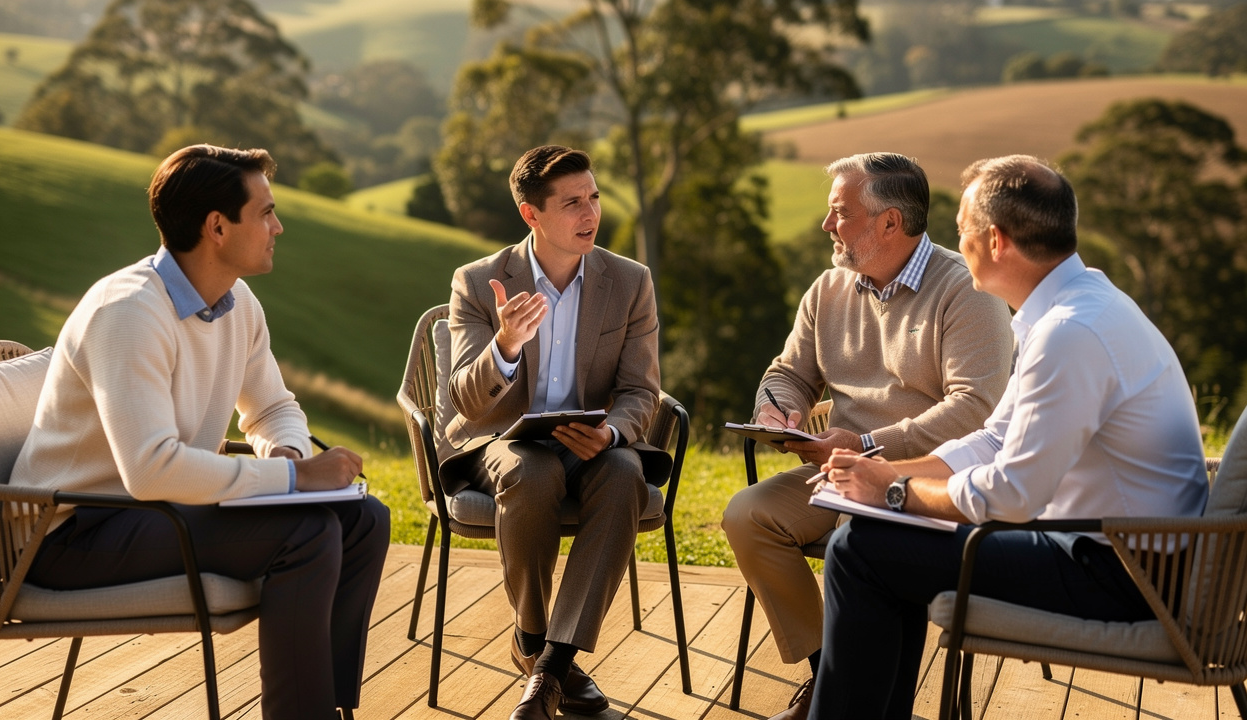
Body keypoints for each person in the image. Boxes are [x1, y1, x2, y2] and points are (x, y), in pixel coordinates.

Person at [809, 155, 1208, 718]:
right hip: (1117, 552)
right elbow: (995, 439)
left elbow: (1012, 495)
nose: (956, 245)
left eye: (961, 230)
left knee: (860, 550)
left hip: (1122, 573)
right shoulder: (1077, 309)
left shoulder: (1069, 333)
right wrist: (888, 472)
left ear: (995, 241)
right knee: (874, 540)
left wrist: (892, 493)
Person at [9, 144, 390, 720]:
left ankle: (327, 707)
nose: (278, 227)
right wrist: (294, 479)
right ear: (217, 227)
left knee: (365, 519)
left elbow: (272, 407)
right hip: (68, 534)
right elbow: (150, 469)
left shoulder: (237, 303)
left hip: (156, 512)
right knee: (306, 532)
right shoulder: (129, 311)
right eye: (265, 213)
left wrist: (286, 453)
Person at [720, 152, 1013, 720]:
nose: (826, 224)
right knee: (748, 515)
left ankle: (845, 692)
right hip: (840, 470)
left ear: (889, 223)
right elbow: (788, 373)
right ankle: (829, 674)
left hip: (925, 481)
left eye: (840, 212)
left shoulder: (967, 291)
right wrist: (776, 409)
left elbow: (976, 410)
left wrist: (867, 446)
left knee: (854, 539)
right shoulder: (828, 289)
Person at [438, 145, 670, 720]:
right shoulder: (479, 282)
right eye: (572, 203)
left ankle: (549, 666)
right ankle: (533, 632)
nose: (590, 213)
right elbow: (466, 400)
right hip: (501, 442)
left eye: (594, 197)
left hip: (591, 444)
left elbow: (641, 391)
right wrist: (506, 345)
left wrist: (613, 434)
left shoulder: (630, 281)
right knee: (532, 471)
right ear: (531, 214)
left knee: (625, 473)